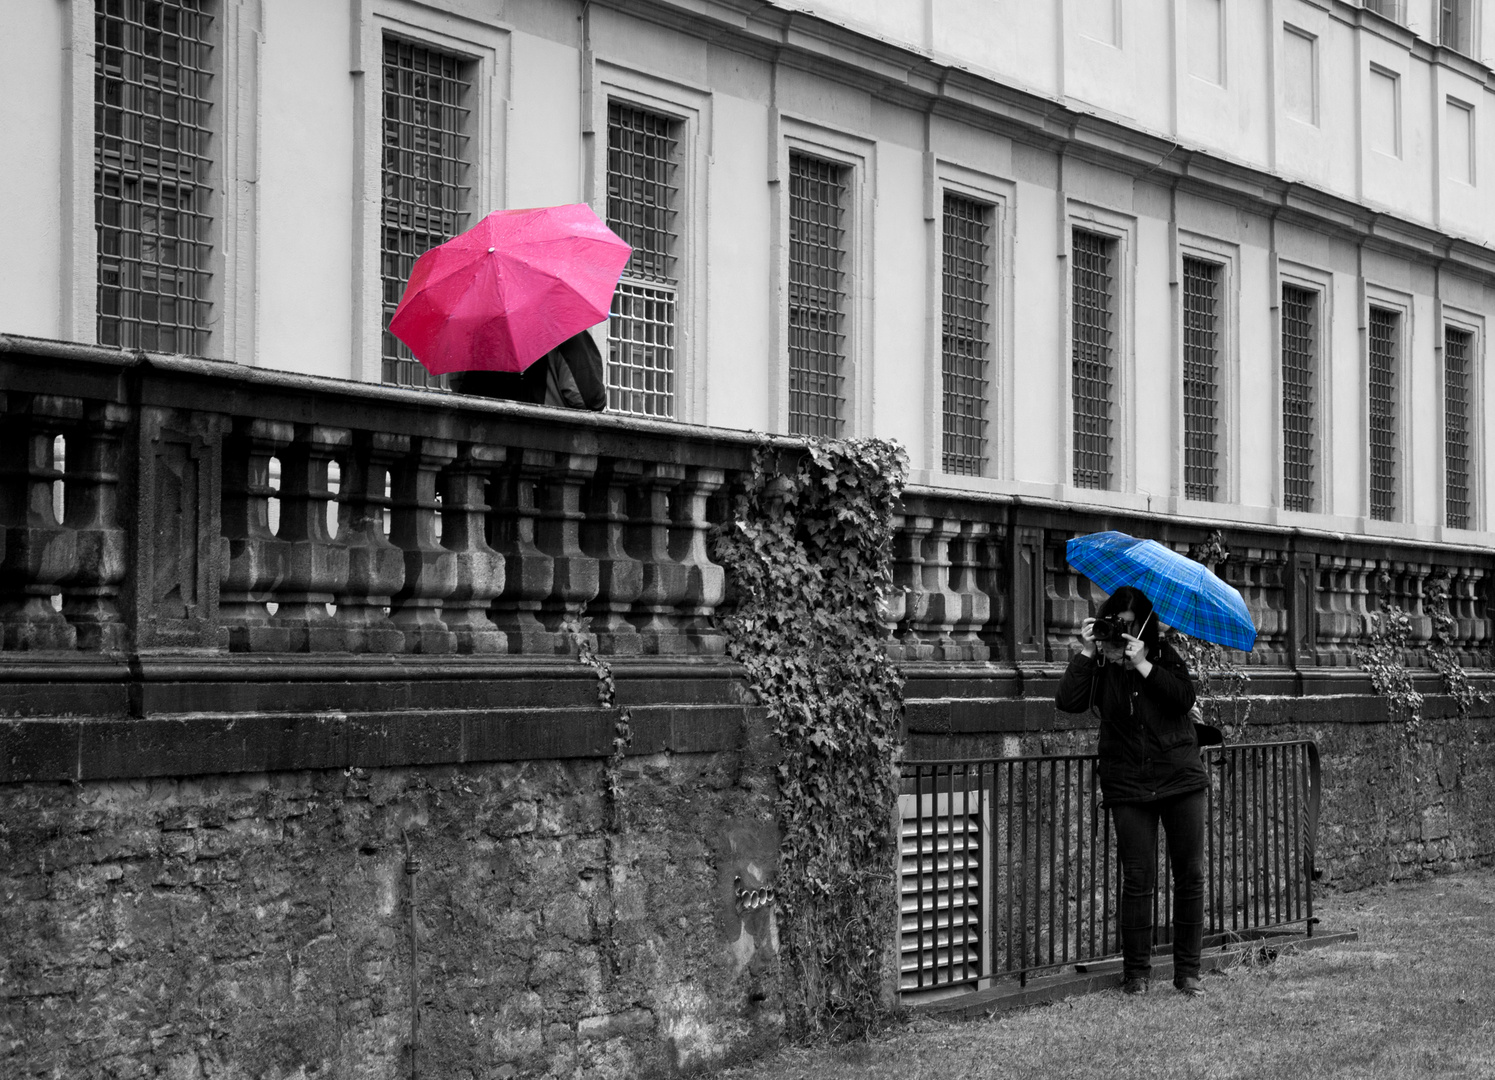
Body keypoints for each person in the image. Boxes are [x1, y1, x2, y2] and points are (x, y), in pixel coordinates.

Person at [1054, 585, 1207, 998]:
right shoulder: (1102, 667)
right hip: (1128, 782)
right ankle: (1136, 974)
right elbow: (1067, 701)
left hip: (1179, 777)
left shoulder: (1161, 656)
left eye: (1127, 624)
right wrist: (1088, 652)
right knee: (1137, 878)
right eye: (1113, 623)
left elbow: (1183, 698)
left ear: (1143, 625)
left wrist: (1143, 665)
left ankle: (1188, 973)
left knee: (1189, 875)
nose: (1120, 632)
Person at [450, 330, 607, 410]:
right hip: (549, 442)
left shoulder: (484, 332)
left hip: (491, 450)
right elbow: (589, 398)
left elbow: (463, 392)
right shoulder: (564, 330)